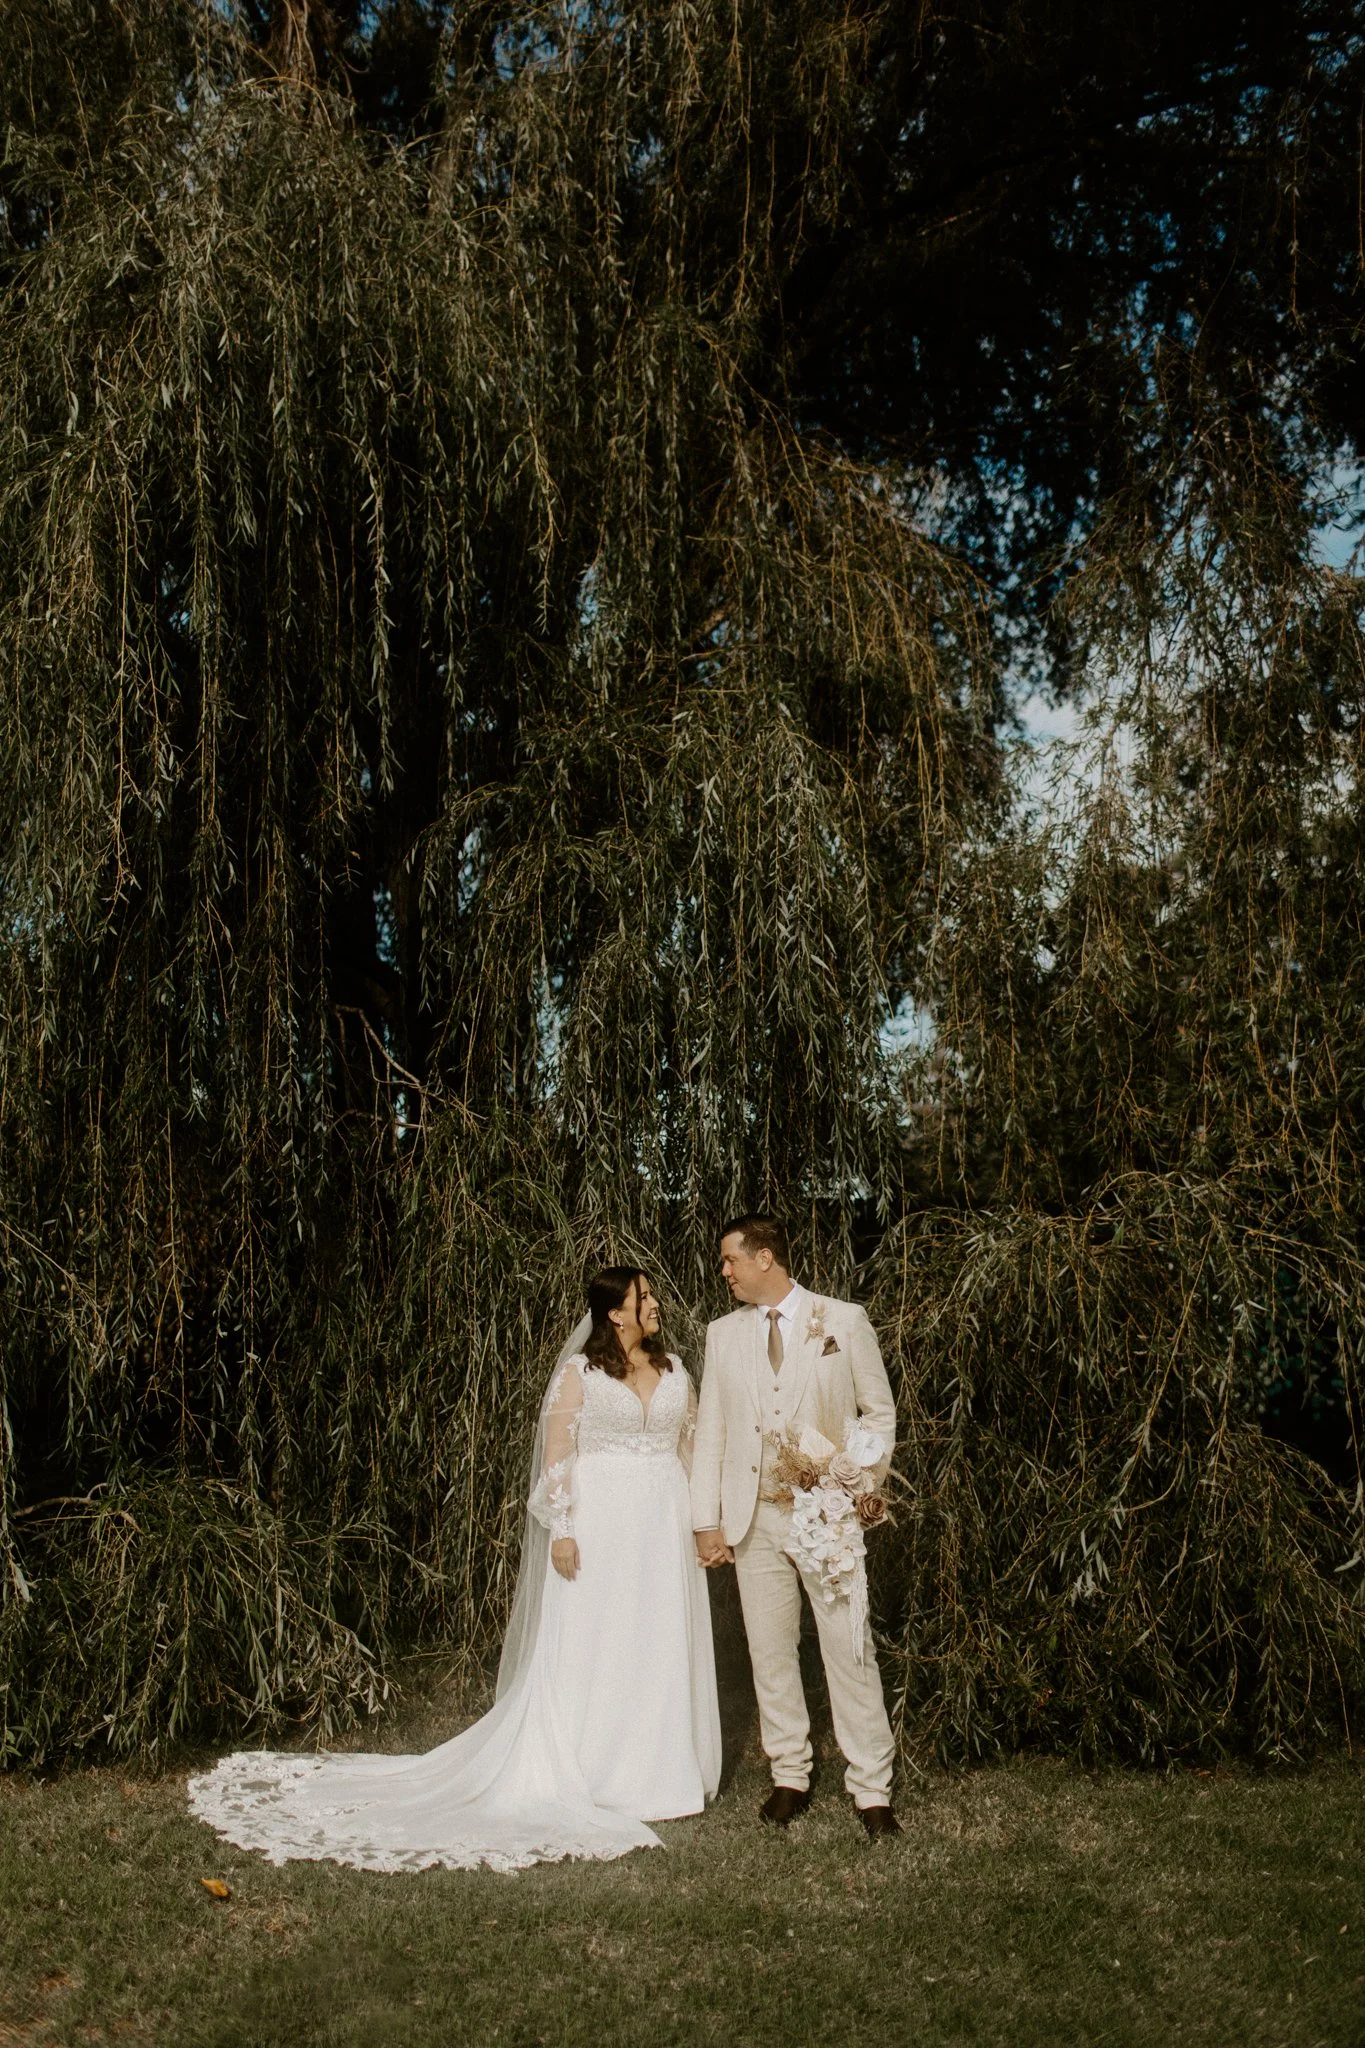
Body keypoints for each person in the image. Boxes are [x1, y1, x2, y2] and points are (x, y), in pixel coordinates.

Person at [189, 1269, 721, 1873]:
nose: (654, 1303)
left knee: (657, 1638)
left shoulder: (676, 1370)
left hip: (662, 1525)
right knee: (599, 1642)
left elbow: (692, 1449)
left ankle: (660, 1772)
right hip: (601, 1525)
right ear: (615, 1313)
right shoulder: (582, 1374)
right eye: (642, 1297)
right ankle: (597, 1770)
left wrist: (706, 1522)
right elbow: (557, 1456)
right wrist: (563, 1530)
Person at [690, 1213, 901, 1837]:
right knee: (770, 1652)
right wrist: (707, 1520)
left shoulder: (844, 1320)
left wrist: (853, 1483)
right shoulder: (722, 1335)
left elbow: (879, 1414)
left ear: (765, 1257)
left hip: (826, 1517)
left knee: (849, 1649)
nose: (724, 1272)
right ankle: (789, 1774)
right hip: (753, 1518)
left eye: (730, 1259)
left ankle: (871, 1787)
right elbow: (712, 1431)